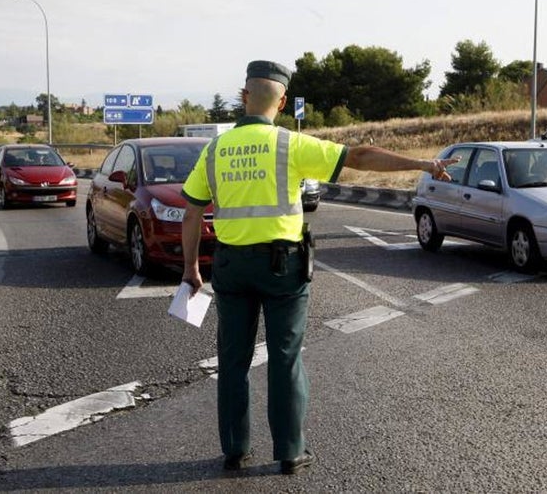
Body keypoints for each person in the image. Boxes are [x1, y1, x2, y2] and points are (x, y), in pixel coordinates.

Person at [180, 60, 457, 476]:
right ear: (283, 101)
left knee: (232, 361)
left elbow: (191, 212)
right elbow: (360, 156)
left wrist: (189, 269)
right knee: (284, 358)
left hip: (231, 266)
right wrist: (421, 166)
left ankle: (235, 450)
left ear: (244, 97)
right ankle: (290, 452)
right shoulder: (289, 145)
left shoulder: (214, 150)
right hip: (282, 268)